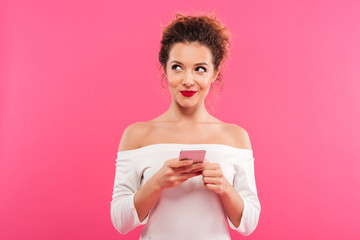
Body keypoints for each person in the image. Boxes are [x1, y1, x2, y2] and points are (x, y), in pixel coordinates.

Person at [111, 12, 261, 240]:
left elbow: (249, 224)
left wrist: (225, 188)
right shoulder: (137, 135)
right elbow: (120, 222)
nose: (188, 80)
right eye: (177, 67)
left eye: (200, 69)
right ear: (165, 69)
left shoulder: (235, 137)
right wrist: (157, 183)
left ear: (214, 73)